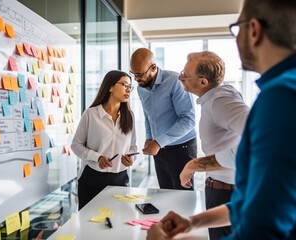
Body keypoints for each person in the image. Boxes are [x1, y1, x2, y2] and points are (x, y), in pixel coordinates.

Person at [146, 0, 296, 239]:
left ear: (254, 30)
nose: (181, 77)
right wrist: (192, 222)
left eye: (237, 29)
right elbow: (257, 202)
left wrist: (195, 164)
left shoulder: (280, 97)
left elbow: (264, 229)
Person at [178, 51, 250, 240]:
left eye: (185, 74)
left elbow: (257, 139)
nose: (180, 77)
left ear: (203, 82)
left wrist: (194, 165)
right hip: (223, 189)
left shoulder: (220, 101)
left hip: (227, 193)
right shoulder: (216, 97)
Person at [130, 48, 197, 190]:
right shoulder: (141, 88)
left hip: (182, 148)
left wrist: (159, 142)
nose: (136, 79)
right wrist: (149, 137)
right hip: (159, 148)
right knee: (165, 192)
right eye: (134, 75)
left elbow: (189, 120)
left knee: (182, 196)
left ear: (153, 67)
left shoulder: (174, 82)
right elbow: (147, 116)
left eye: (140, 74)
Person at [71, 70, 137, 210]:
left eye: (130, 86)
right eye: (124, 84)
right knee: (88, 223)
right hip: (92, 179)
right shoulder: (91, 114)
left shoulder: (129, 116)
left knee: (117, 224)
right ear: (110, 87)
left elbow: (133, 147)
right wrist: (97, 157)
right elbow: (76, 145)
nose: (128, 90)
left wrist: (131, 159)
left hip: (120, 179)